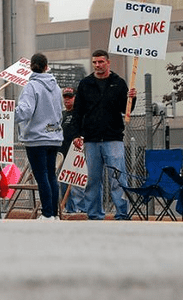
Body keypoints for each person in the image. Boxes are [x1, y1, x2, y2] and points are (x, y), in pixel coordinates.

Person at [71, 49, 136, 220]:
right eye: (94, 62)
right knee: (92, 180)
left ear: (108, 62)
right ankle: (94, 214)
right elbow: (78, 111)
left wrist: (131, 99)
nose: (97, 65)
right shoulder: (85, 84)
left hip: (113, 138)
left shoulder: (119, 83)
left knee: (118, 179)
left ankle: (122, 213)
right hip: (91, 140)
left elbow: (126, 109)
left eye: (101, 62)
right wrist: (77, 134)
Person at [14, 53, 64, 220]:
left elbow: (25, 111)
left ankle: (47, 213)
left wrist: (8, 116)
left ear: (31, 66)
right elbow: (59, 112)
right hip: (54, 136)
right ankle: (54, 214)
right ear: (46, 66)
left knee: (41, 175)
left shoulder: (32, 86)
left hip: (36, 138)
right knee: (51, 175)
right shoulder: (56, 88)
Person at [59, 86, 85, 213]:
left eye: (70, 97)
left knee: (77, 185)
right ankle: (68, 209)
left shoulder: (80, 114)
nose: (67, 100)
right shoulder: (61, 115)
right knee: (64, 184)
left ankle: (80, 209)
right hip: (63, 155)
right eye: (65, 97)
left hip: (77, 155)